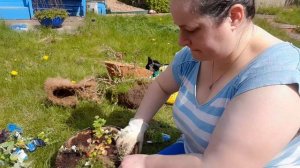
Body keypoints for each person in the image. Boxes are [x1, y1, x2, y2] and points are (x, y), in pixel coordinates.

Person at [116, 0, 300, 167]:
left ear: (234, 17)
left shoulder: (277, 80)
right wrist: (138, 124)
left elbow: (221, 164)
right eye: (179, 28)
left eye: (192, 29)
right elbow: (161, 86)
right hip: (194, 155)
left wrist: (146, 163)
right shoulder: (196, 58)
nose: (181, 41)